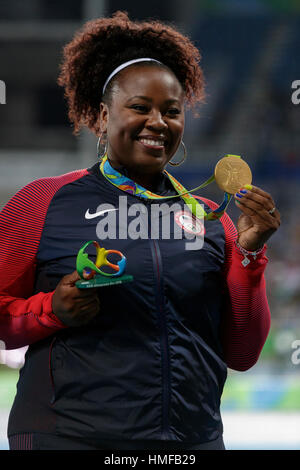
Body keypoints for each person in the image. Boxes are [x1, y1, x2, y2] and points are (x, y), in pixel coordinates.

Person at [0, 11, 280, 451]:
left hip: (191, 443)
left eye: (172, 111)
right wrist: (52, 309)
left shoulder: (210, 218)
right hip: (69, 436)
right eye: (139, 107)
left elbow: (242, 352)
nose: (158, 122)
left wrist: (250, 255)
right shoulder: (43, 202)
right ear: (101, 115)